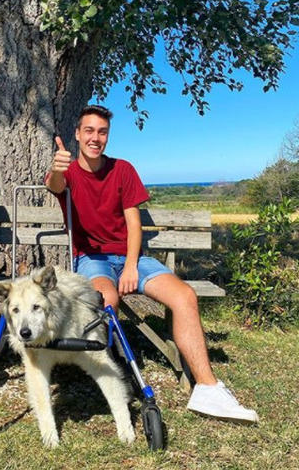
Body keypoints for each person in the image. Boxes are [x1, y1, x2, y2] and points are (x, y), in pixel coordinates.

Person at [45, 104, 258, 423]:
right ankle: (112, 376)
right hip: (91, 259)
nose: (95, 137)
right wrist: (59, 167)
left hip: (131, 258)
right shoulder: (68, 173)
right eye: (89, 130)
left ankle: (207, 389)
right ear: (77, 134)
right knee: (106, 300)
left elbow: (134, 224)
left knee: (184, 296)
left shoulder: (123, 170)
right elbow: (54, 185)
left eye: (102, 132)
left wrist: (131, 266)